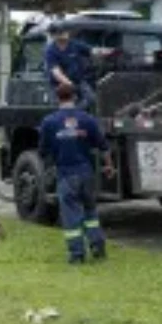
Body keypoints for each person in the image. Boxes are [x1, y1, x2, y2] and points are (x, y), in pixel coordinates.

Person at [39, 82, 115, 264]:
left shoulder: (49, 122)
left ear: (57, 98)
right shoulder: (88, 119)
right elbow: (104, 147)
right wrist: (109, 166)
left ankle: (77, 254)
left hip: (66, 174)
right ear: (74, 97)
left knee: (71, 216)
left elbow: (43, 151)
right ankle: (98, 247)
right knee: (90, 212)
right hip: (87, 173)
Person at [44, 20, 111, 111]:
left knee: (91, 99)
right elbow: (56, 72)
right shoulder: (51, 51)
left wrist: (106, 52)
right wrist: (69, 85)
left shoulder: (74, 44)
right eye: (61, 32)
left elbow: (92, 51)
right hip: (59, 85)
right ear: (54, 35)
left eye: (65, 31)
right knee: (61, 106)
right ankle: (68, 115)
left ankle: (75, 113)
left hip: (78, 81)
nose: (65, 33)